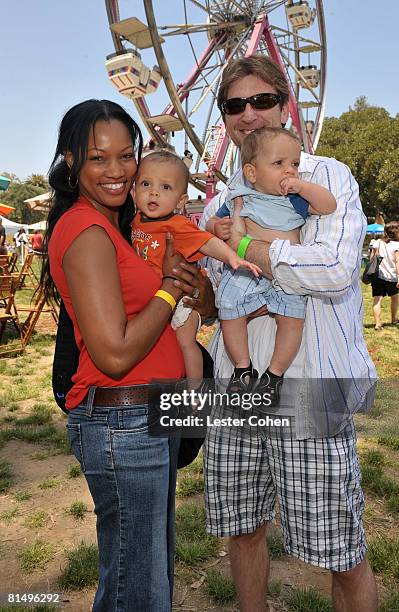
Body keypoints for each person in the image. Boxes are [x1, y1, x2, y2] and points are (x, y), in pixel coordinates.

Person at [199, 56, 378, 611]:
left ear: (285, 104)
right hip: (237, 386)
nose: (249, 114)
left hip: (313, 385)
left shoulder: (327, 176)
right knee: (243, 525)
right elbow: (216, 297)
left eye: (261, 101)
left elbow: (335, 270)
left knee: (338, 547)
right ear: (225, 119)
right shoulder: (217, 204)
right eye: (235, 105)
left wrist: (248, 248)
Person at [41, 99, 211, 612]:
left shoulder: (129, 228)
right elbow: (114, 353)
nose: (116, 171)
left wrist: (185, 280)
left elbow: (201, 302)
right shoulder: (85, 231)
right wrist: (165, 291)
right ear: (72, 161)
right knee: (137, 590)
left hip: (149, 414)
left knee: (147, 576)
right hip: (122, 419)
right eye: (98, 158)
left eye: (126, 155)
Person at [205, 127, 336, 400]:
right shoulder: (240, 196)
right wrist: (217, 228)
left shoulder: (295, 200)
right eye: (279, 164)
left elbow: (328, 206)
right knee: (229, 313)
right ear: (252, 173)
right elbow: (211, 224)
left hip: (284, 276)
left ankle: (274, 374)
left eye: (295, 164)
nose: (290, 171)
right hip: (245, 272)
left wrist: (304, 187)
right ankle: (243, 367)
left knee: (292, 322)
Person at [132, 150, 260, 387]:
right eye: (146, 184)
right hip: (159, 297)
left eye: (165, 187)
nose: (154, 192)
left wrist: (232, 257)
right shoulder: (135, 221)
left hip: (185, 296)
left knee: (184, 339)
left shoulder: (177, 225)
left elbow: (207, 242)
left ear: (181, 201)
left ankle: (194, 389)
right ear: (133, 191)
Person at [370, 220, 399, 329]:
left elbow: (371, 259)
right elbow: (397, 262)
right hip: (392, 277)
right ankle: (393, 318)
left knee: (377, 299)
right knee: (395, 298)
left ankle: (377, 323)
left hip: (377, 276)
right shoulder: (396, 245)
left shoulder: (377, 242)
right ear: (395, 232)